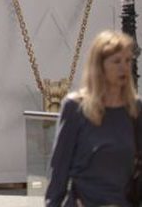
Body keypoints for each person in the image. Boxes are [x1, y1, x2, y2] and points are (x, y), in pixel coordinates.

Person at [47, 30, 141, 206]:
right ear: (100, 65)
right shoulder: (75, 107)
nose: (124, 67)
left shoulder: (135, 109)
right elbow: (59, 167)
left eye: (128, 61)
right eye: (116, 61)